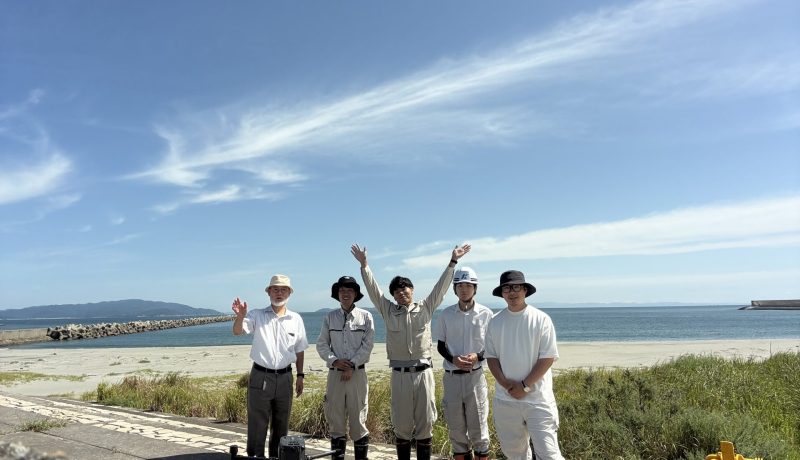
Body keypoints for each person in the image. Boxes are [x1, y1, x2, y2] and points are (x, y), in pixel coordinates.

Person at [351, 243, 471, 460]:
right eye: (397, 290)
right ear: (393, 295)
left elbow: (441, 288)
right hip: (400, 376)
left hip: (424, 373)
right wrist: (364, 265)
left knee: (426, 423)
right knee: (401, 425)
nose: (401, 292)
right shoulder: (388, 310)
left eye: (404, 288)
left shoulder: (426, 307)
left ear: (412, 290)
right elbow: (373, 290)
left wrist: (453, 262)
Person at [485, 270, 564, 460]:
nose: (512, 292)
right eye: (506, 288)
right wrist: (507, 385)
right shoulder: (495, 322)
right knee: (515, 454)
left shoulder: (541, 319)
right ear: (502, 293)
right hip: (506, 400)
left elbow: (548, 358)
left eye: (516, 287)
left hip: (538, 400)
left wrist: (524, 386)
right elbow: (491, 358)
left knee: (549, 454)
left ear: (525, 290)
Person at [232, 274, 309, 459]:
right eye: (275, 289)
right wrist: (240, 317)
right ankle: (255, 457)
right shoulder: (257, 315)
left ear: (289, 293)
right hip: (261, 375)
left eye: (283, 290)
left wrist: (300, 375)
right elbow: (237, 331)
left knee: (282, 423)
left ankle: (277, 457)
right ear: (269, 292)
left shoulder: (296, 319)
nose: (279, 293)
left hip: (285, 376)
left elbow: (299, 350)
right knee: (257, 422)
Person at [433, 266, 493, 460]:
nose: (464, 289)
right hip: (451, 377)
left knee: (479, 428)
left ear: (475, 288)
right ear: (455, 289)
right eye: (460, 286)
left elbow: (492, 346)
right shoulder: (446, 314)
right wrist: (454, 359)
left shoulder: (486, 314)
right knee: (456, 429)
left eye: (468, 285)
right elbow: (440, 346)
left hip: (475, 377)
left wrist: (478, 356)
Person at [316, 276, 375, 460]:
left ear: (355, 294)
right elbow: (322, 344)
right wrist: (334, 361)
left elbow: (368, 346)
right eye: (342, 290)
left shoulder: (366, 316)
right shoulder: (330, 317)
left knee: (358, 422)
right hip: (335, 375)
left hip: (357, 375)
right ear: (337, 294)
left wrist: (351, 365)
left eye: (350, 290)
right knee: (336, 422)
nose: (345, 294)